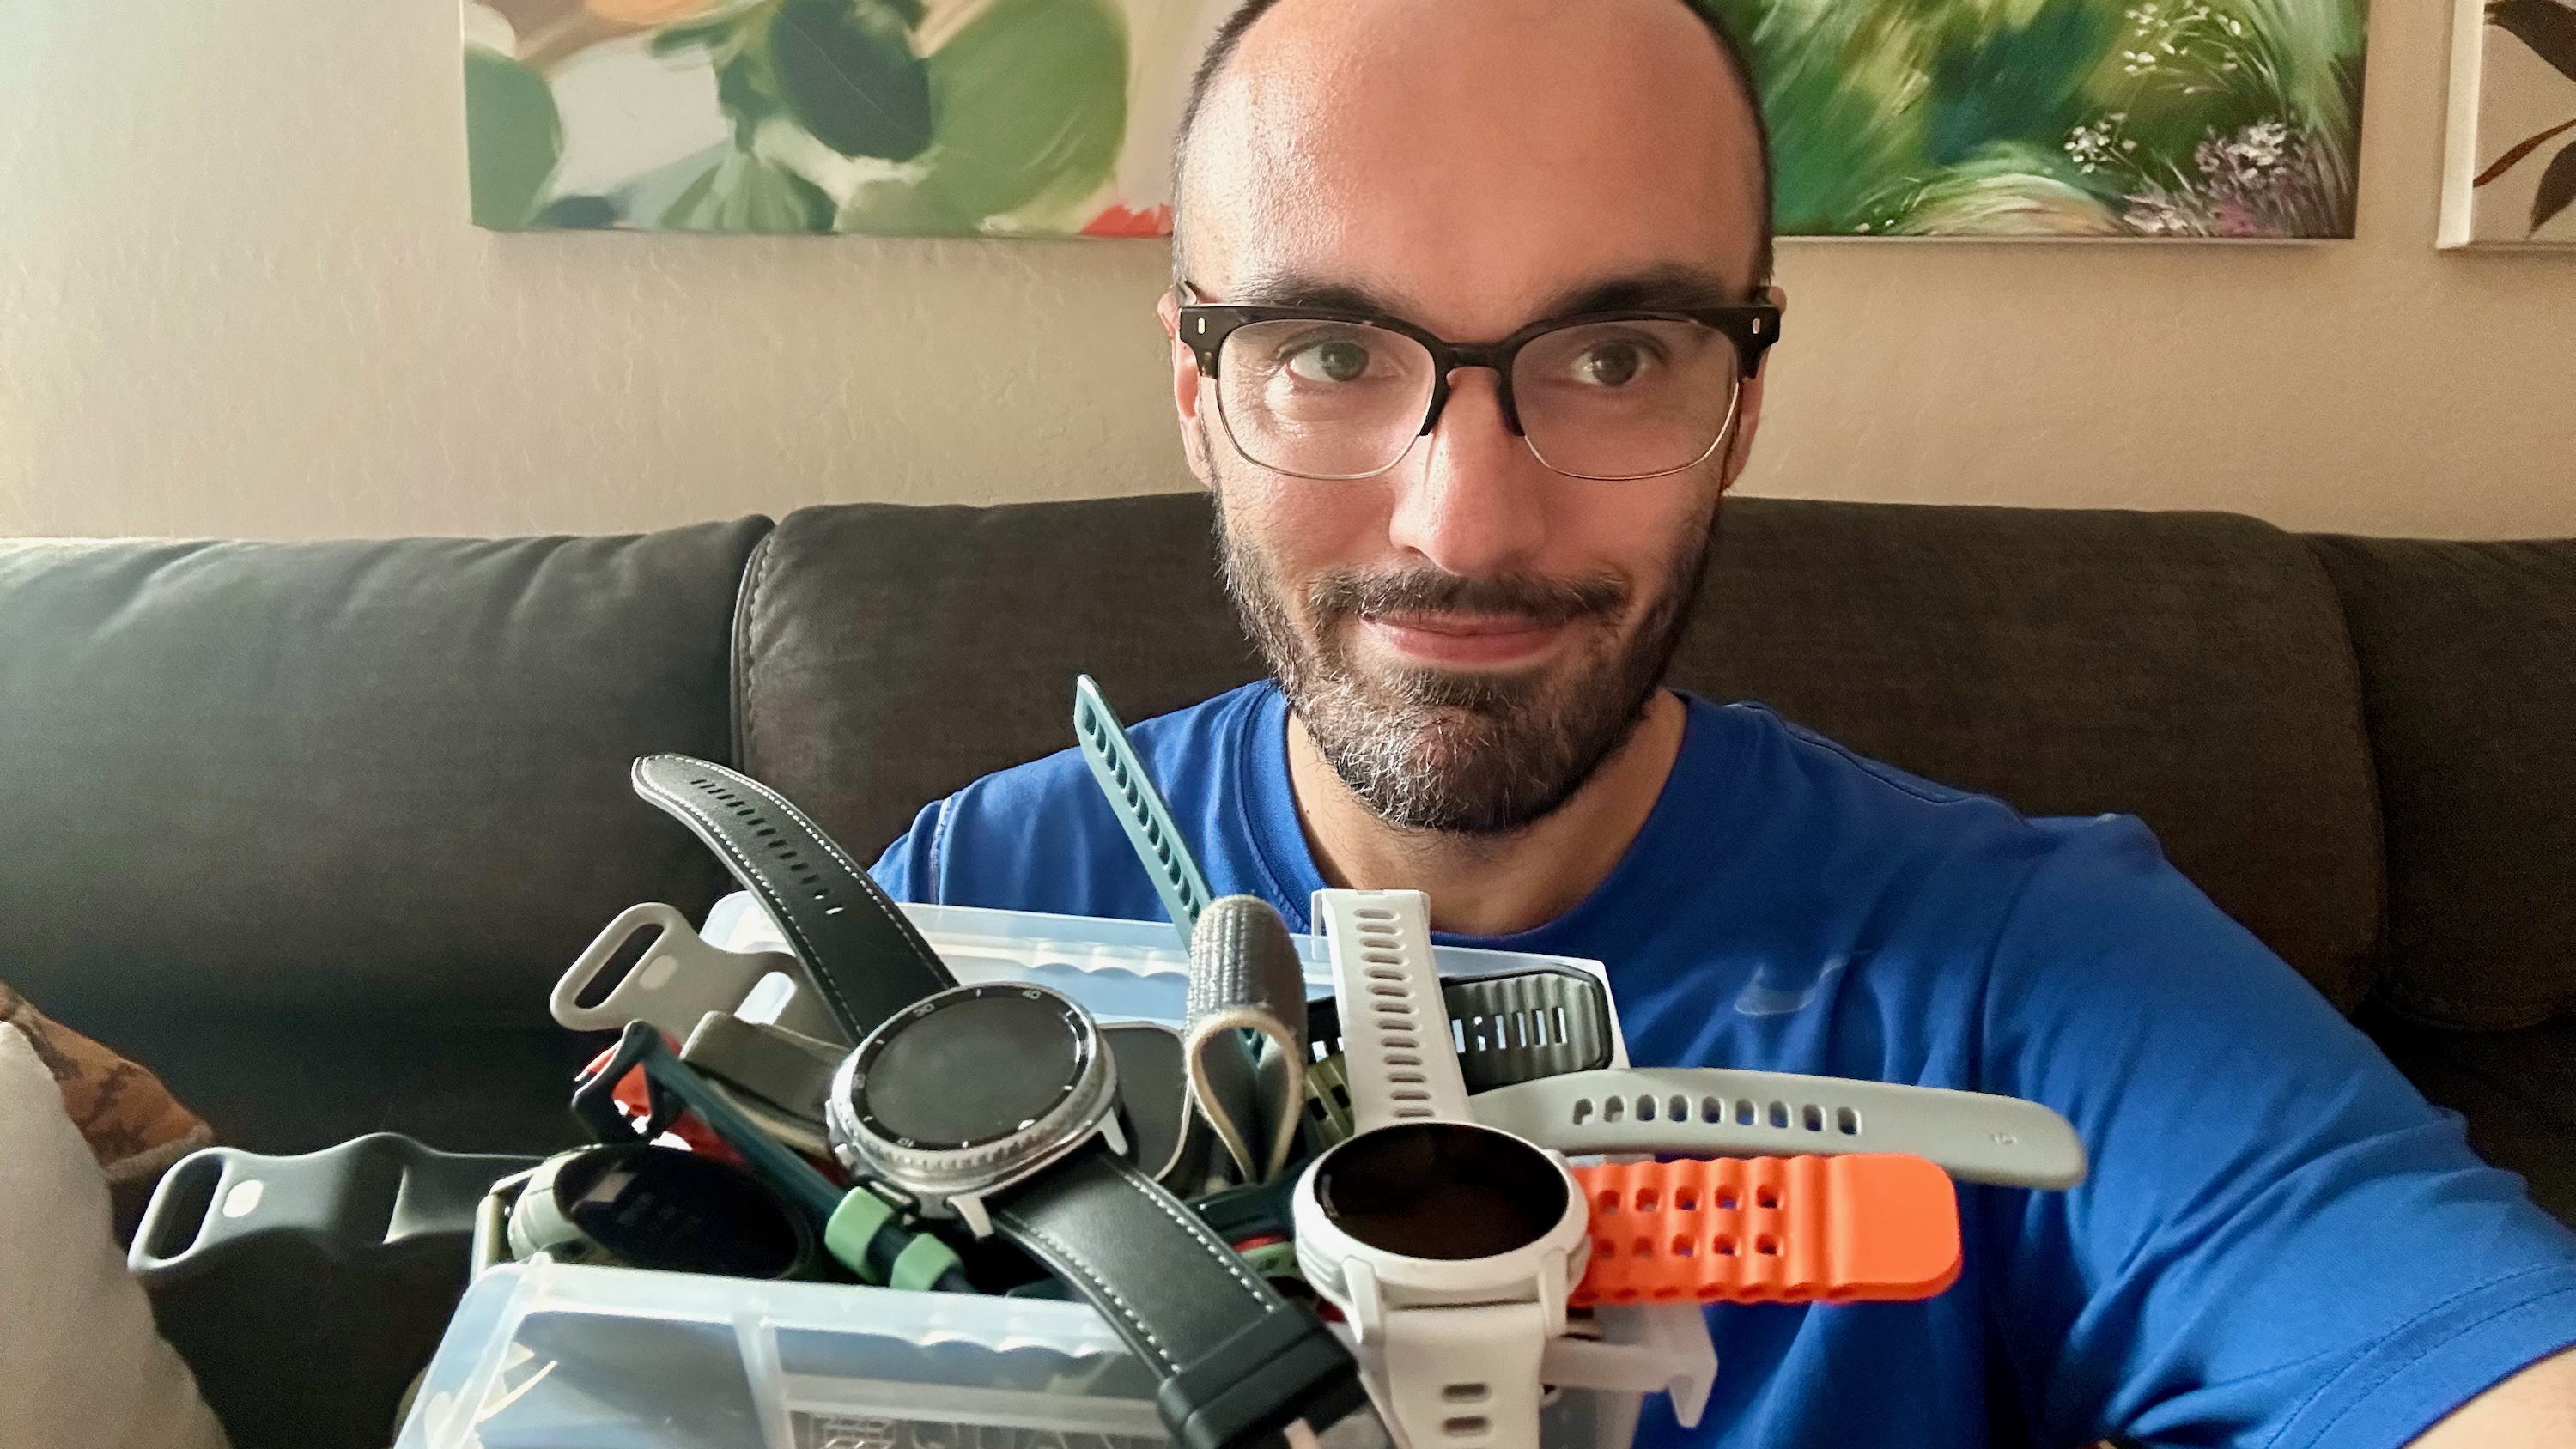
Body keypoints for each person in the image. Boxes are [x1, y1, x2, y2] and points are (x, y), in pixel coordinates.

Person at [866, 0, 2576, 1442]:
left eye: (1614, 355)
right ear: (1197, 390)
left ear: (1739, 402)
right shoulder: (966, 908)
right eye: (1327, 351)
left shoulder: (2029, 974)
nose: (1463, 526)